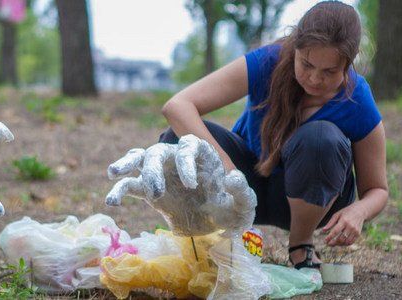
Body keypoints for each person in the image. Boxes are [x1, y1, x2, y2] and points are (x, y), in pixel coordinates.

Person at [158, 1, 387, 269]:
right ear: (295, 47)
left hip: (312, 202)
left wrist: (359, 211)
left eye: (329, 71)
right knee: (179, 141)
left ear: (350, 61)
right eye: (307, 64)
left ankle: (301, 245)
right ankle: (212, 243)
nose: (314, 79)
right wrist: (227, 169)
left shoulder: (357, 98)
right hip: (244, 188)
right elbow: (177, 106)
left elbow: (378, 190)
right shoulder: (269, 60)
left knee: (321, 138)